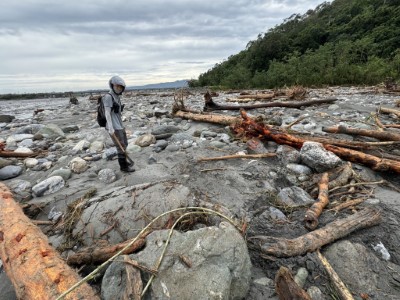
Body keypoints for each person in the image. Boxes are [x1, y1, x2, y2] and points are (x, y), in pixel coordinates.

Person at [104, 75, 135, 172]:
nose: (119, 88)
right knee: (120, 146)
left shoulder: (116, 97)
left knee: (124, 143)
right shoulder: (108, 97)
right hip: (113, 126)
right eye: (117, 86)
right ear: (112, 85)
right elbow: (107, 112)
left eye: (120, 87)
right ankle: (124, 167)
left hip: (119, 125)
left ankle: (125, 162)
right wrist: (110, 127)